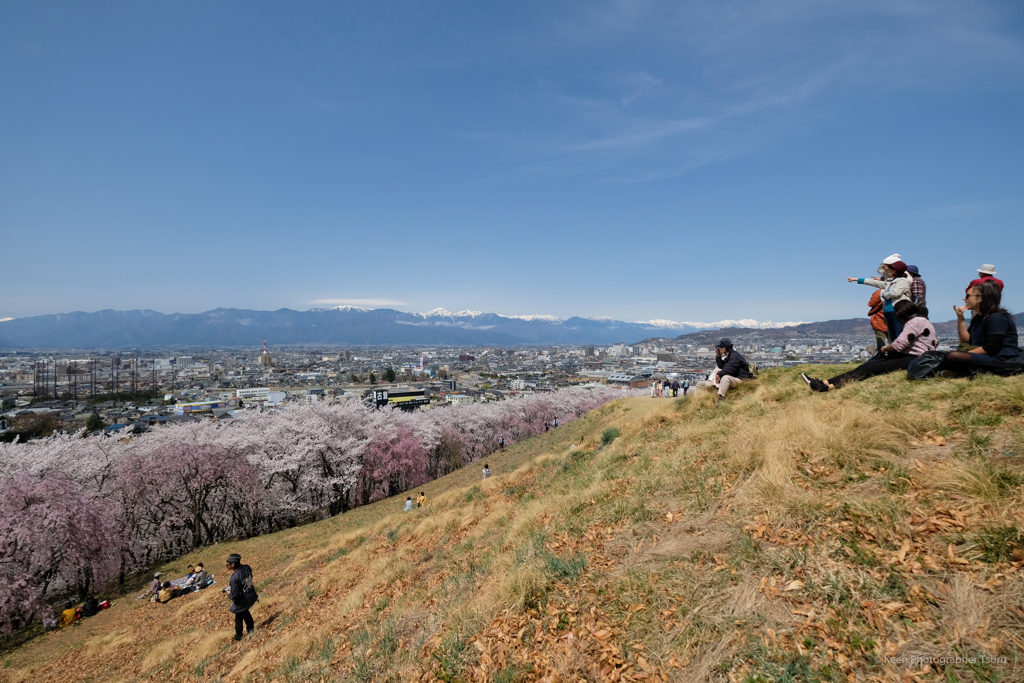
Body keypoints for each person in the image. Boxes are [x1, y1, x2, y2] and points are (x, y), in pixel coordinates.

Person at [802, 301, 936, 391]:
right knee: (866, 366)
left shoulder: (915, 322)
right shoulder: (920, 320)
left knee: (869, 369)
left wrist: (884, 348)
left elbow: (899, 344)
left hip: (915, 358)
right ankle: (824, 382)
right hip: (914, 356)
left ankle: (827, 387)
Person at [939, 281, 1021, 377]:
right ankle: (964, 371)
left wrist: (965, 354)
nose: (964, 299)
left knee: (953, 356)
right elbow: (966, 341)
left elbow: (991, 348)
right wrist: (960, 319)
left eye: (968, 296)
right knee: (940, 354)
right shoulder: (979, 317)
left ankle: (962, 371)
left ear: (980, 298)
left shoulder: (997, 317)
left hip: (1000, 358)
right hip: (984, 355)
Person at [848, 257, 912, 342]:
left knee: (898, 334)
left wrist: (884, 295)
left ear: (894, 270)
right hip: (888, 311)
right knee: (893, 336)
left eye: (887, 267)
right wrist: (857, 279)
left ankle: (901, 353)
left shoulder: (902, 281)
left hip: (898, 311)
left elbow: (896, 293)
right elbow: (875, 283)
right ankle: (895, 353)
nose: (884, 269)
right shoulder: (890, 281)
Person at [700, 338, 752, 405]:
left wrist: (719, 374)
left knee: (725, 378)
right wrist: (718, 356)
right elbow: (722, 366)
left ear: (724, 349)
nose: (719, 349)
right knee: (719, 371)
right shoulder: (731, 355)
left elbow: (730, 369)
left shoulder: (734, 356)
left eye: (720, 348)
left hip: (742, 379)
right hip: (737, 377)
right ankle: (717, 388)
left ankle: (721, 397)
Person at [223, 553, 258, 641]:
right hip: (251, 594)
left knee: (238, 618)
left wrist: (229, 593)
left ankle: (238, 637)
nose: (227, 566)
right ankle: (251, 630)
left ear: (233, 564)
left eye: (228, 564)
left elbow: (235, 595)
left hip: (243, 600)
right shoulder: (247, 567)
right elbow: (249, 578)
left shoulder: (234, 578)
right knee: (245, 612)